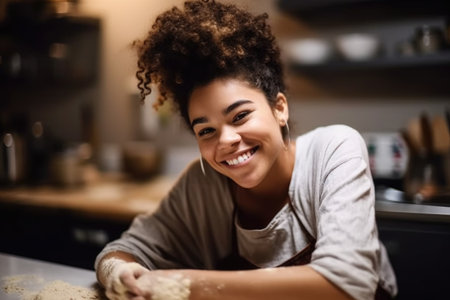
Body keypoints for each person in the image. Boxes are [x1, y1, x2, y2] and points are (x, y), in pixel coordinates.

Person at [95, 1, 398, 299]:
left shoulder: (333, 150)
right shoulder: (202, 187)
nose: (225, 140)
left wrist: (182, 283)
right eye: (206, 131)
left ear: (279, 108)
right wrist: (121, 274)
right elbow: (121, 252)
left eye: (240, 116)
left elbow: (348, 284)